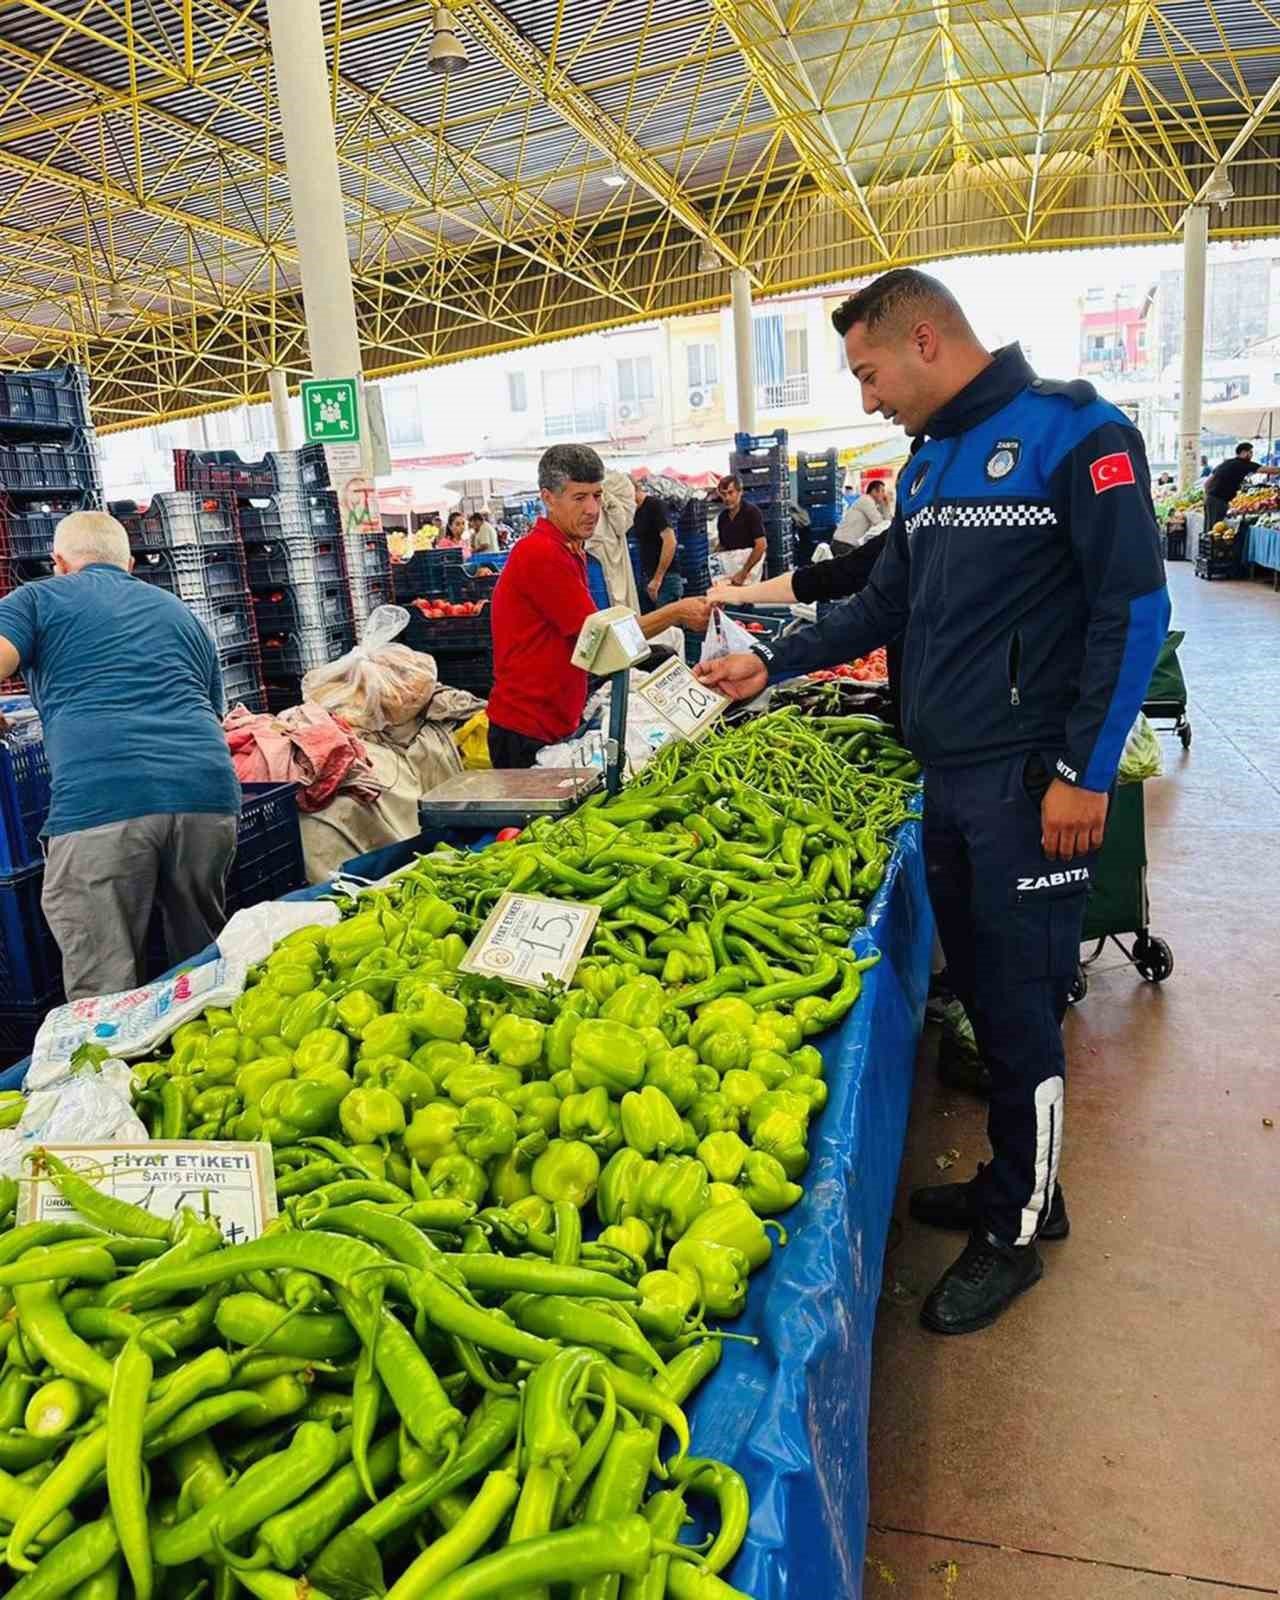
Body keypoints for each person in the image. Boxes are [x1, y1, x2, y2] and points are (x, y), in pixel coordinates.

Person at [696, 268, 1170, 1335]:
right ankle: (1016, 1178)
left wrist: (1083, 773)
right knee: (985, 1002)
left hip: (1026, 782)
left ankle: (1013, 1234)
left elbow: (1132, 608)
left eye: (868, 373)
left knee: (1018, 1003)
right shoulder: (927, 470)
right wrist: (773, 661)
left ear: (922, 341)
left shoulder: (1073, 435)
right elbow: (881, 601)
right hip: (948, 779)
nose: (866, 398)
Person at [0, 511, 240, 1000]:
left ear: (59, 562)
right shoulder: (178, 612)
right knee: (203, 968)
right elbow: (211, 715)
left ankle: (111, 1071)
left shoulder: (35, 598)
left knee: (103, 982)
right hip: (206, 795)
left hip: (102, 801)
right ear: (128, 564)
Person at [486, 444, 711, 769]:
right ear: (548, 498)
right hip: (526, 730)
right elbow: (604, 641)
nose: (593, 509)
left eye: (597, 495)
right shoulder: (541, 553)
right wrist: (675, 613)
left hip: (555, 721)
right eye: (580, 498)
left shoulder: (568, 548)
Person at [1203, 442, 1279, 529]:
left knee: (1209, 527)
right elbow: (1268, 470)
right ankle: (1213, 542)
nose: (1251, 455)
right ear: (1243, 452)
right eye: (1250, 452)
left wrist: (1209, 495)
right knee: (1216, 528)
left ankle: (1206, 542)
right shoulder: (1244, 464)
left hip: (1209, 498)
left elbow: (1207, 482)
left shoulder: (1227, 462)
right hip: (1218, 501)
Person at [632, 480, 681, 611]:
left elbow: (670, 542)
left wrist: (657, 579)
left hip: (666, 579)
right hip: (647, 577)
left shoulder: (655, 506)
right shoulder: (635, 511)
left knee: (669, 628)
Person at [714, 475, 767, 585]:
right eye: (723, 494)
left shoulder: (751, 512)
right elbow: (723, 545)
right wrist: (714, 558)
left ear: (740, 492)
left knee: (747, 600)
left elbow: (761, 545)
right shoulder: (722, 518)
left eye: (730, 492)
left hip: (749, 571)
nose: (727, 498)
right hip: (731, 571)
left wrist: (743, 573)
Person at [833, 477, 891, 546]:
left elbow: (885, 524)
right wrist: (886, 506)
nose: (884, 495)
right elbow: (880, 524)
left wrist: (885, 506)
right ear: (874, 491)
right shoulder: (866, 500)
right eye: (882, 491)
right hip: (843, 543)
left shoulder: (872, 504)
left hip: (847, 543)